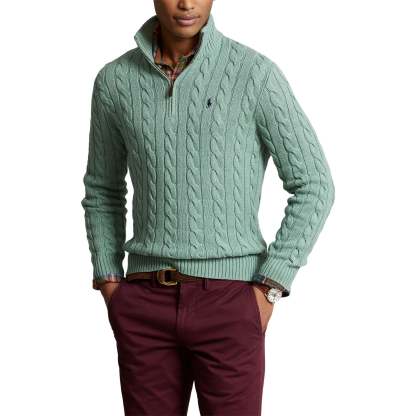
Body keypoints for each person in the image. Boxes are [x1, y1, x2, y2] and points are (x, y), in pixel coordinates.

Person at [81, 1, 335, 414]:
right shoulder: (115, 80)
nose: (187, 3)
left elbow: (314, 184)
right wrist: (108, 278)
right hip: (143, 301)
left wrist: (271, 284)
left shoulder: (254, 74)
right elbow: (103, 188)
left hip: (231, 300)